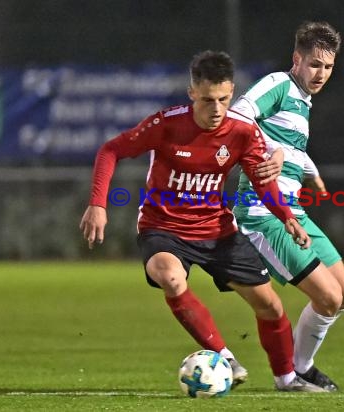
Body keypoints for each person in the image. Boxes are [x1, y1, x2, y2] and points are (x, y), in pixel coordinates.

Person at [79, 50, 327, 392]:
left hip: (217, 231)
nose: (216, 109)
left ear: (231, 92)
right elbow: (110, 150)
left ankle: (286, 379)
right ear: (192, 91)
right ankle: (223, 357)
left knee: (269, 305)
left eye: (224, 99)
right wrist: (98, 204)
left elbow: (261, 179)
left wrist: (286, 217)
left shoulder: (241, 132)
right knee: (170, 277)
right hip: (163, 228)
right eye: (208, 100)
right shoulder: (166, 124)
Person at [231, 21, 344, 392]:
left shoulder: (303, 101)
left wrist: (309, 171)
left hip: (291, 209)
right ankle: (292, 375)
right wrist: (272, 152)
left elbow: (289, 145)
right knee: (328, 297)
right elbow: (238, 118)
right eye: (315, 64)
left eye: (329, 67)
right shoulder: (278, 85)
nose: (321, 74)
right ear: (297, 59)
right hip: (261, 213)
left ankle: (302, 367)